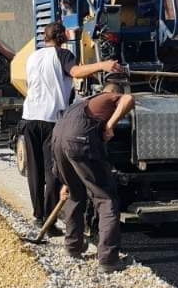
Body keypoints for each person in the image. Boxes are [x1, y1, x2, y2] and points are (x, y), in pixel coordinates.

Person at [21, 21, 122, 228]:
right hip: (51, 120)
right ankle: (49, 222)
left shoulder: (33, 57)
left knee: (35, 171)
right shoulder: (63, 54)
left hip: (29, 118)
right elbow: (75, 72)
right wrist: (103, 65)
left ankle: (38, 216)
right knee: (53, 173)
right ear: (62, 38)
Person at [52, 81, 135, 274]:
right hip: (79, 141)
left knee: (74, 194)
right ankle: (108, 259)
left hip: (58, 141)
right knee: (105, 199)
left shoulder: (79, 104)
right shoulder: (107, 96)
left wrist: (65, 181)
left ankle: (73, 247)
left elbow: (61, 140)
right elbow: (128, 99)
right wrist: (109, 125)